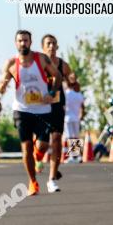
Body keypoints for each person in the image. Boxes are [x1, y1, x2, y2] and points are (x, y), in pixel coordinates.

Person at [0, 30, 63, 195]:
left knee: (43, 145)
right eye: (20, 41)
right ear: (15, 43)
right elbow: (2, 83)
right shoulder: (11, 63)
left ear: (30, 42)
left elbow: (58, 76)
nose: (23, 43)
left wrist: (52, 93)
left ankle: (42, 157)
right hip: (22, 110)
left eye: (25, 40)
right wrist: (2, 87)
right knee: (26, 147)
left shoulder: (41, 59)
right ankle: (33, 182)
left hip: (43, 109)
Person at [40, 34, 77, 181]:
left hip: (66, 112)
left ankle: (75, 156)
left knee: (66, 137)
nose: (51, 46)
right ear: (43, 47)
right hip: (43, 107)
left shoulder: (63, 66)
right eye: (48, 44)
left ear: (57, 46)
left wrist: (72, 78)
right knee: (44, 143)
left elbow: (71, 79)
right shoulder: (38, 64)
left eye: (54, 43)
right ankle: (73, 155)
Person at [63, 81, 86, 163]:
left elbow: (62, 105)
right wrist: (81, 116)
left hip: (68, 118)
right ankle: (77, 156)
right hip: (76, 118)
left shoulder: (66, 93)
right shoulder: (79, 95)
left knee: (70, 137)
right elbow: (83, 107)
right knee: (76, 137)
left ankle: (73, 157)